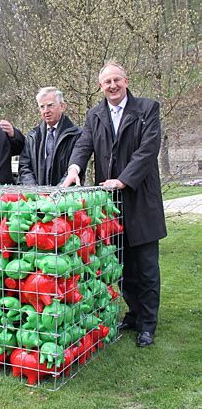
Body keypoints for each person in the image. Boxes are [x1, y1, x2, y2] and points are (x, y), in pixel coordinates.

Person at [62, 60, 167, 348]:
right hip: (111, 204)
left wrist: (123, 179)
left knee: (145, 267)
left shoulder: (147, 109)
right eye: (107, 82)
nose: (112, 85)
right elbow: (84, 145)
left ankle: (147, 323)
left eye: (116, 80)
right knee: (120, 264)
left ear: (126, 80)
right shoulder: (95, 114)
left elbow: (148, 151)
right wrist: (74, 168)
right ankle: (133, 314)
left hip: (140, 198)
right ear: (101, 86)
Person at [18, 87, 82, 186]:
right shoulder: (32, 136)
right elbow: (24, 167)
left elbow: (76, 166)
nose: (46, 111)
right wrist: (34, 189)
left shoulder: (76, 135)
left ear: (62, 106)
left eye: (50, 105)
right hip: (37, 197)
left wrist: (57, 192)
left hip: (66, 197)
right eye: (42, 107)